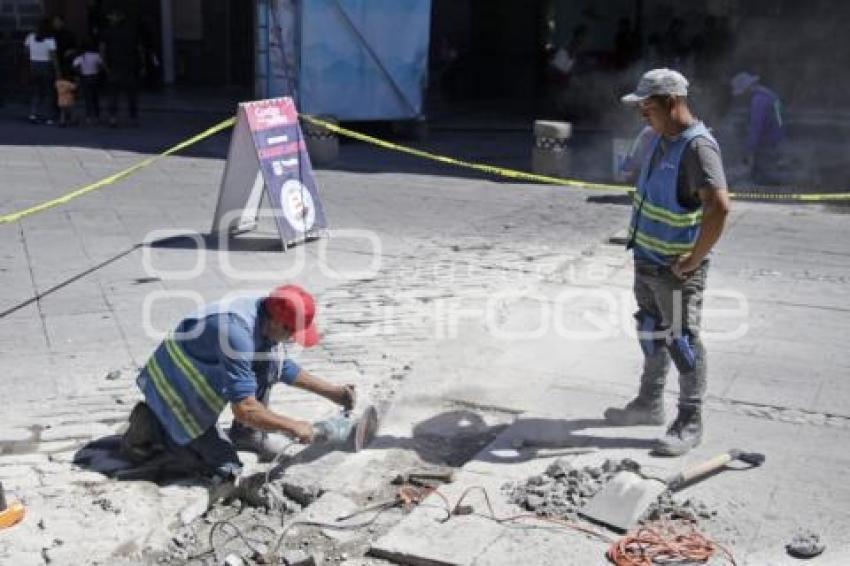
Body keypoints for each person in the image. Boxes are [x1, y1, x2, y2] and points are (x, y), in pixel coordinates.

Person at [606, 69, 731, 456]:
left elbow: (720, 207)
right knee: (650, 330)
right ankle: (649, 403)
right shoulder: (655, 136)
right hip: (645, 259)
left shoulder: (698, 148)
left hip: (675, 270)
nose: (643, 116)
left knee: (682, 340)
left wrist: (694, 260)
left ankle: (690, 420)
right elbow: (633, 171)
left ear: (672, 103)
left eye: (648, 109)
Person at [122, 284, 356, 485]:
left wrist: (333, 392)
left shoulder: (263, 316)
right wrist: (293, 426)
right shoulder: (236, 333)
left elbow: (281, 366)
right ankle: (151, 425)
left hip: (207, 372)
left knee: (269, 362)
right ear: (277, 323)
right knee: (225, 467)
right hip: (175, 388)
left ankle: (247, 434)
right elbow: (244, 409)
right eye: (293, 333)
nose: (294, 339)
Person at [730, 71, 784, 184]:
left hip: (767, 143)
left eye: (742, 93)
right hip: (775, 139)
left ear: (747, 89)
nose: (742, 97)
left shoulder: (758, 100)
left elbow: (756, 127)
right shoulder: (768, 95)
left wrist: (748, 149)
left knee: (762, 175)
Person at [99, 9, 143, 127]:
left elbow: (102, 50)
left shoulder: (107, 32)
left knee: (116, 93)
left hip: (119, 66)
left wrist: (105, 66)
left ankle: (115, 118)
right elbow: (139, 49)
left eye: (112, 16)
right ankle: (131, 118)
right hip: (127, 66)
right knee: (129, 94)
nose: (110, 18)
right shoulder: (130, 31)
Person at [24, 18, 59, 124]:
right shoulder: (50, 39)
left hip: (33, 64)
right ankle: (48, 116)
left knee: (36, 90)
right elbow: (53, 56)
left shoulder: (30, 37)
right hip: (46, 65)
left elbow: (26, 51)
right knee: (48, 91)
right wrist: (58, 70)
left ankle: (33, 113)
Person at [73, 40, 103, 123]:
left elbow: (75, 67)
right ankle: (97, 116)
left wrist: (81, 72)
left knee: (87, 98)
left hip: (85, 78)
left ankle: (88, 116)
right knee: (95, 98)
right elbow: (101, 65)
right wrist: (97, 70)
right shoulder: (96, 56)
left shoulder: (80, 57)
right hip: (94, 76)